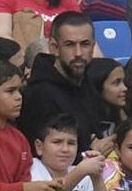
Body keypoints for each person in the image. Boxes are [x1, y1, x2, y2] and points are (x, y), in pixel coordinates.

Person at [16, 10, 108, 145]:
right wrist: (90, 153)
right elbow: (41, 153)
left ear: (93, 46)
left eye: (85, 44)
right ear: (54, 47)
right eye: (69, 44)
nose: (78, 53)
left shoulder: (89, 83)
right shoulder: (39, 94)